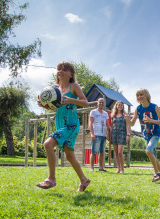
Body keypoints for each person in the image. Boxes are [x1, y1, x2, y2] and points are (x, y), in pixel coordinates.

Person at [36, 61, 91, 192]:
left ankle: (51, 179)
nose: (60, 71)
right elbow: (49, 105)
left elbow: (85, 103)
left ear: (71, 74)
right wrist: (42, 103)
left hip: (71, 124)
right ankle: (84, 180)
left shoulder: (74, 86)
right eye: (59, 69)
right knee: (69, 156)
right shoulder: (53, 88)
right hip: (60, 123)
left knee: (48, 144)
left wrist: (71, 100)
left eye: (64, 69)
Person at [125, 88, 160, 182]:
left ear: (146, 95)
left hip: (155, 133)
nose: (140, 96)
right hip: (146, 134)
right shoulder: (138, 109)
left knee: (148, 151)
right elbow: (132, 123)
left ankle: (157, 173)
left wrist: (151, 120)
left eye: (141, 94)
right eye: (138, 95)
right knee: (153, 155)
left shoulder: (154, 107)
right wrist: (128, 120)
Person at [89, 98, 110, 172]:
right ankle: (92, 168)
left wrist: (108, 134)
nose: (101, 104)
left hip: (103, 135)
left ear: (104, 104)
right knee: (94, 151)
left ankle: (101, 167)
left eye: (102, 102)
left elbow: (107, 125)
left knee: (102, 152)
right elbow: (90, 123)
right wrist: (92, 134)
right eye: (100, 102)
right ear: (97, 103)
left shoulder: (105, 113)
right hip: (96, 134)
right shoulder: (93, 112)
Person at [110, 101, 130, 174]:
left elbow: (127, 125)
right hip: (114, 134)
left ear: (123, 106)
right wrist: (110, 135)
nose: (120, 106)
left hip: (122, 133)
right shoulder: (113, 115)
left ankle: (122, 169)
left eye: (121, 105)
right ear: (116, 106)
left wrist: (128, 134)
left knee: (120, 152)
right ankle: (118, 168)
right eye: (118, 105)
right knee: (116, 152)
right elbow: (111, 126)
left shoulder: (125, 115)